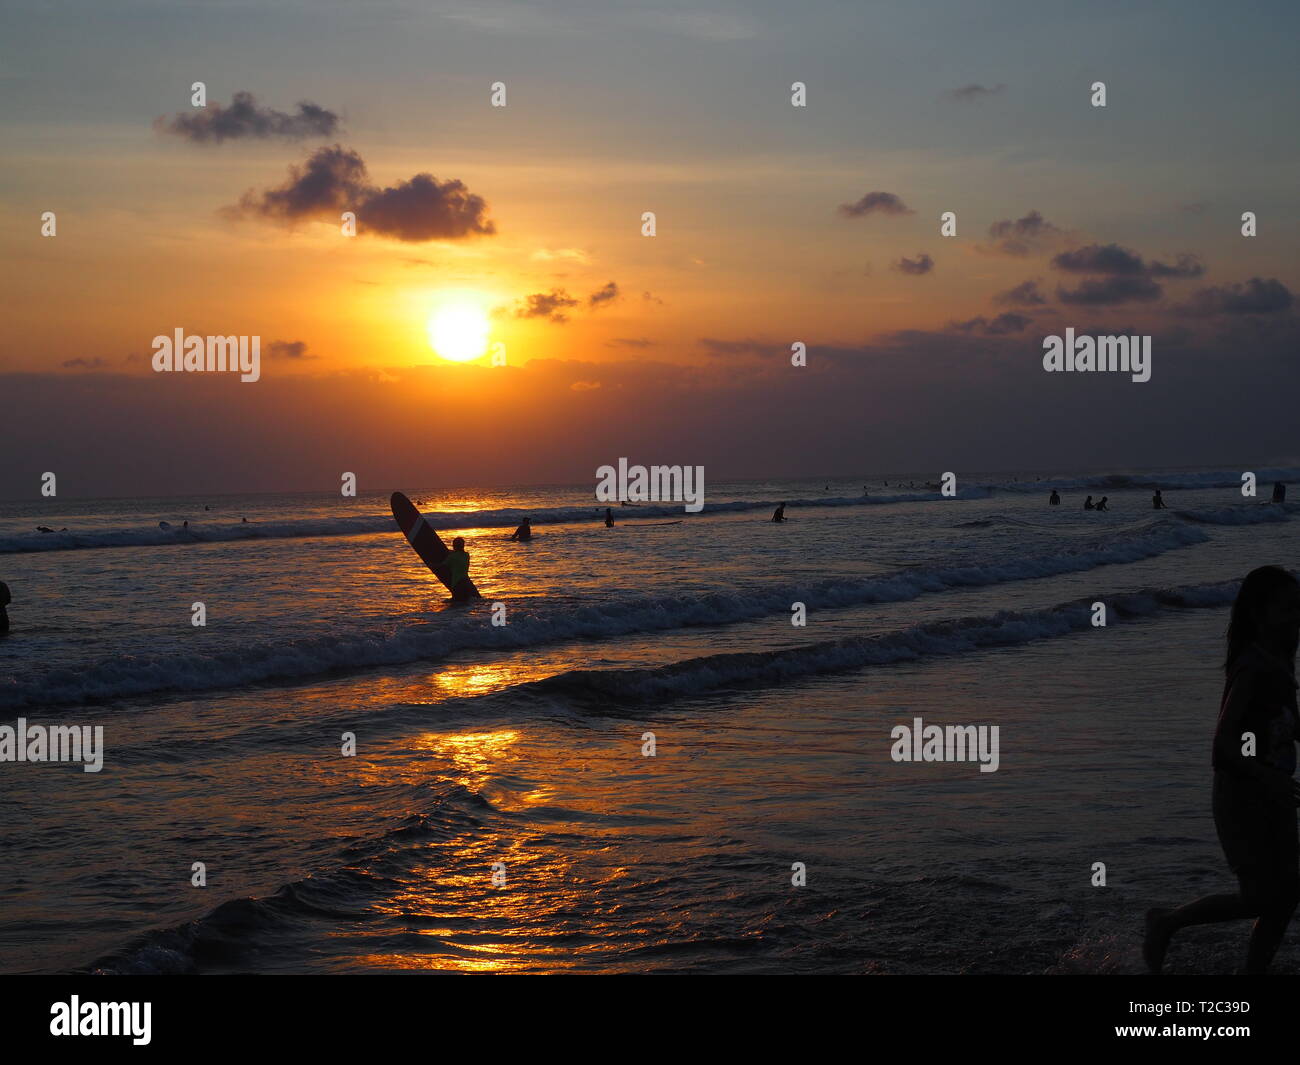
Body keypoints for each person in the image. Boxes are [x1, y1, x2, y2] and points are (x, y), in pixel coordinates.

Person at [1144, 566, 1300, 974]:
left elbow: (1287, 721)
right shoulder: (1251, 667)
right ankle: (1168, 920)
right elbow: (1223, 744)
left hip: (1276, 794)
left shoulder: (1282, 658)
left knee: (1286, 894)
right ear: (1259, 614)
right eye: (1287, 609)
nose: (1296, 616)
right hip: (1243, 797)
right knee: (1259, 898)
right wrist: (1269, 779)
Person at [447, 536, 474, 602]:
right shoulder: (467, 555)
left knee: (457, 604)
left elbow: (441, 565)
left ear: (454, 546)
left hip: (457, 583)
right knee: (465, 604)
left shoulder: (452, 557)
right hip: (466, 583)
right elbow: (458, 554)